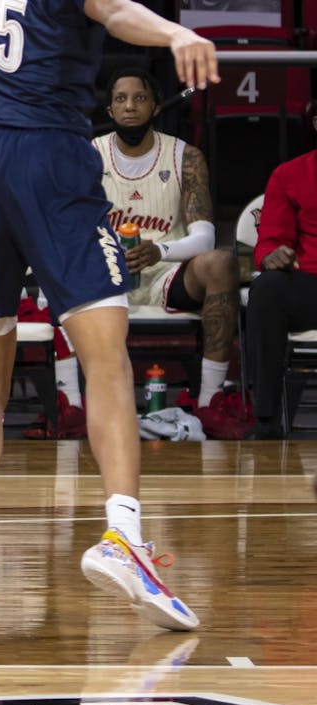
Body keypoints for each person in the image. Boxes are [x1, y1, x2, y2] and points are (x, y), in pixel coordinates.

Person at [0, 0, 219, 631]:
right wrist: (175, 33)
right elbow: (112, 9)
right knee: (108, 357)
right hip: (49, 157)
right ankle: (123, 537)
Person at [92, 68, 246, 438]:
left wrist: (158, 250)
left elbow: (205, 238)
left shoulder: (185, 157)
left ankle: (210, 401)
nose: (130, 106)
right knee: (57, 264)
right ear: (110, 110)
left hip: (166, 270)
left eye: (140, 98)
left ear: (157, 106)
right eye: (121, 99)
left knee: (222, 262)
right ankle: (72, 406)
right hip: (104, 274)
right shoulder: (89, 156)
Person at [247, 101, 317, 438]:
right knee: (268, 288)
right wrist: (273, 255)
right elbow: (270, 239)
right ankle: (267, 421)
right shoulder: (289, 175)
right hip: (309, 285)